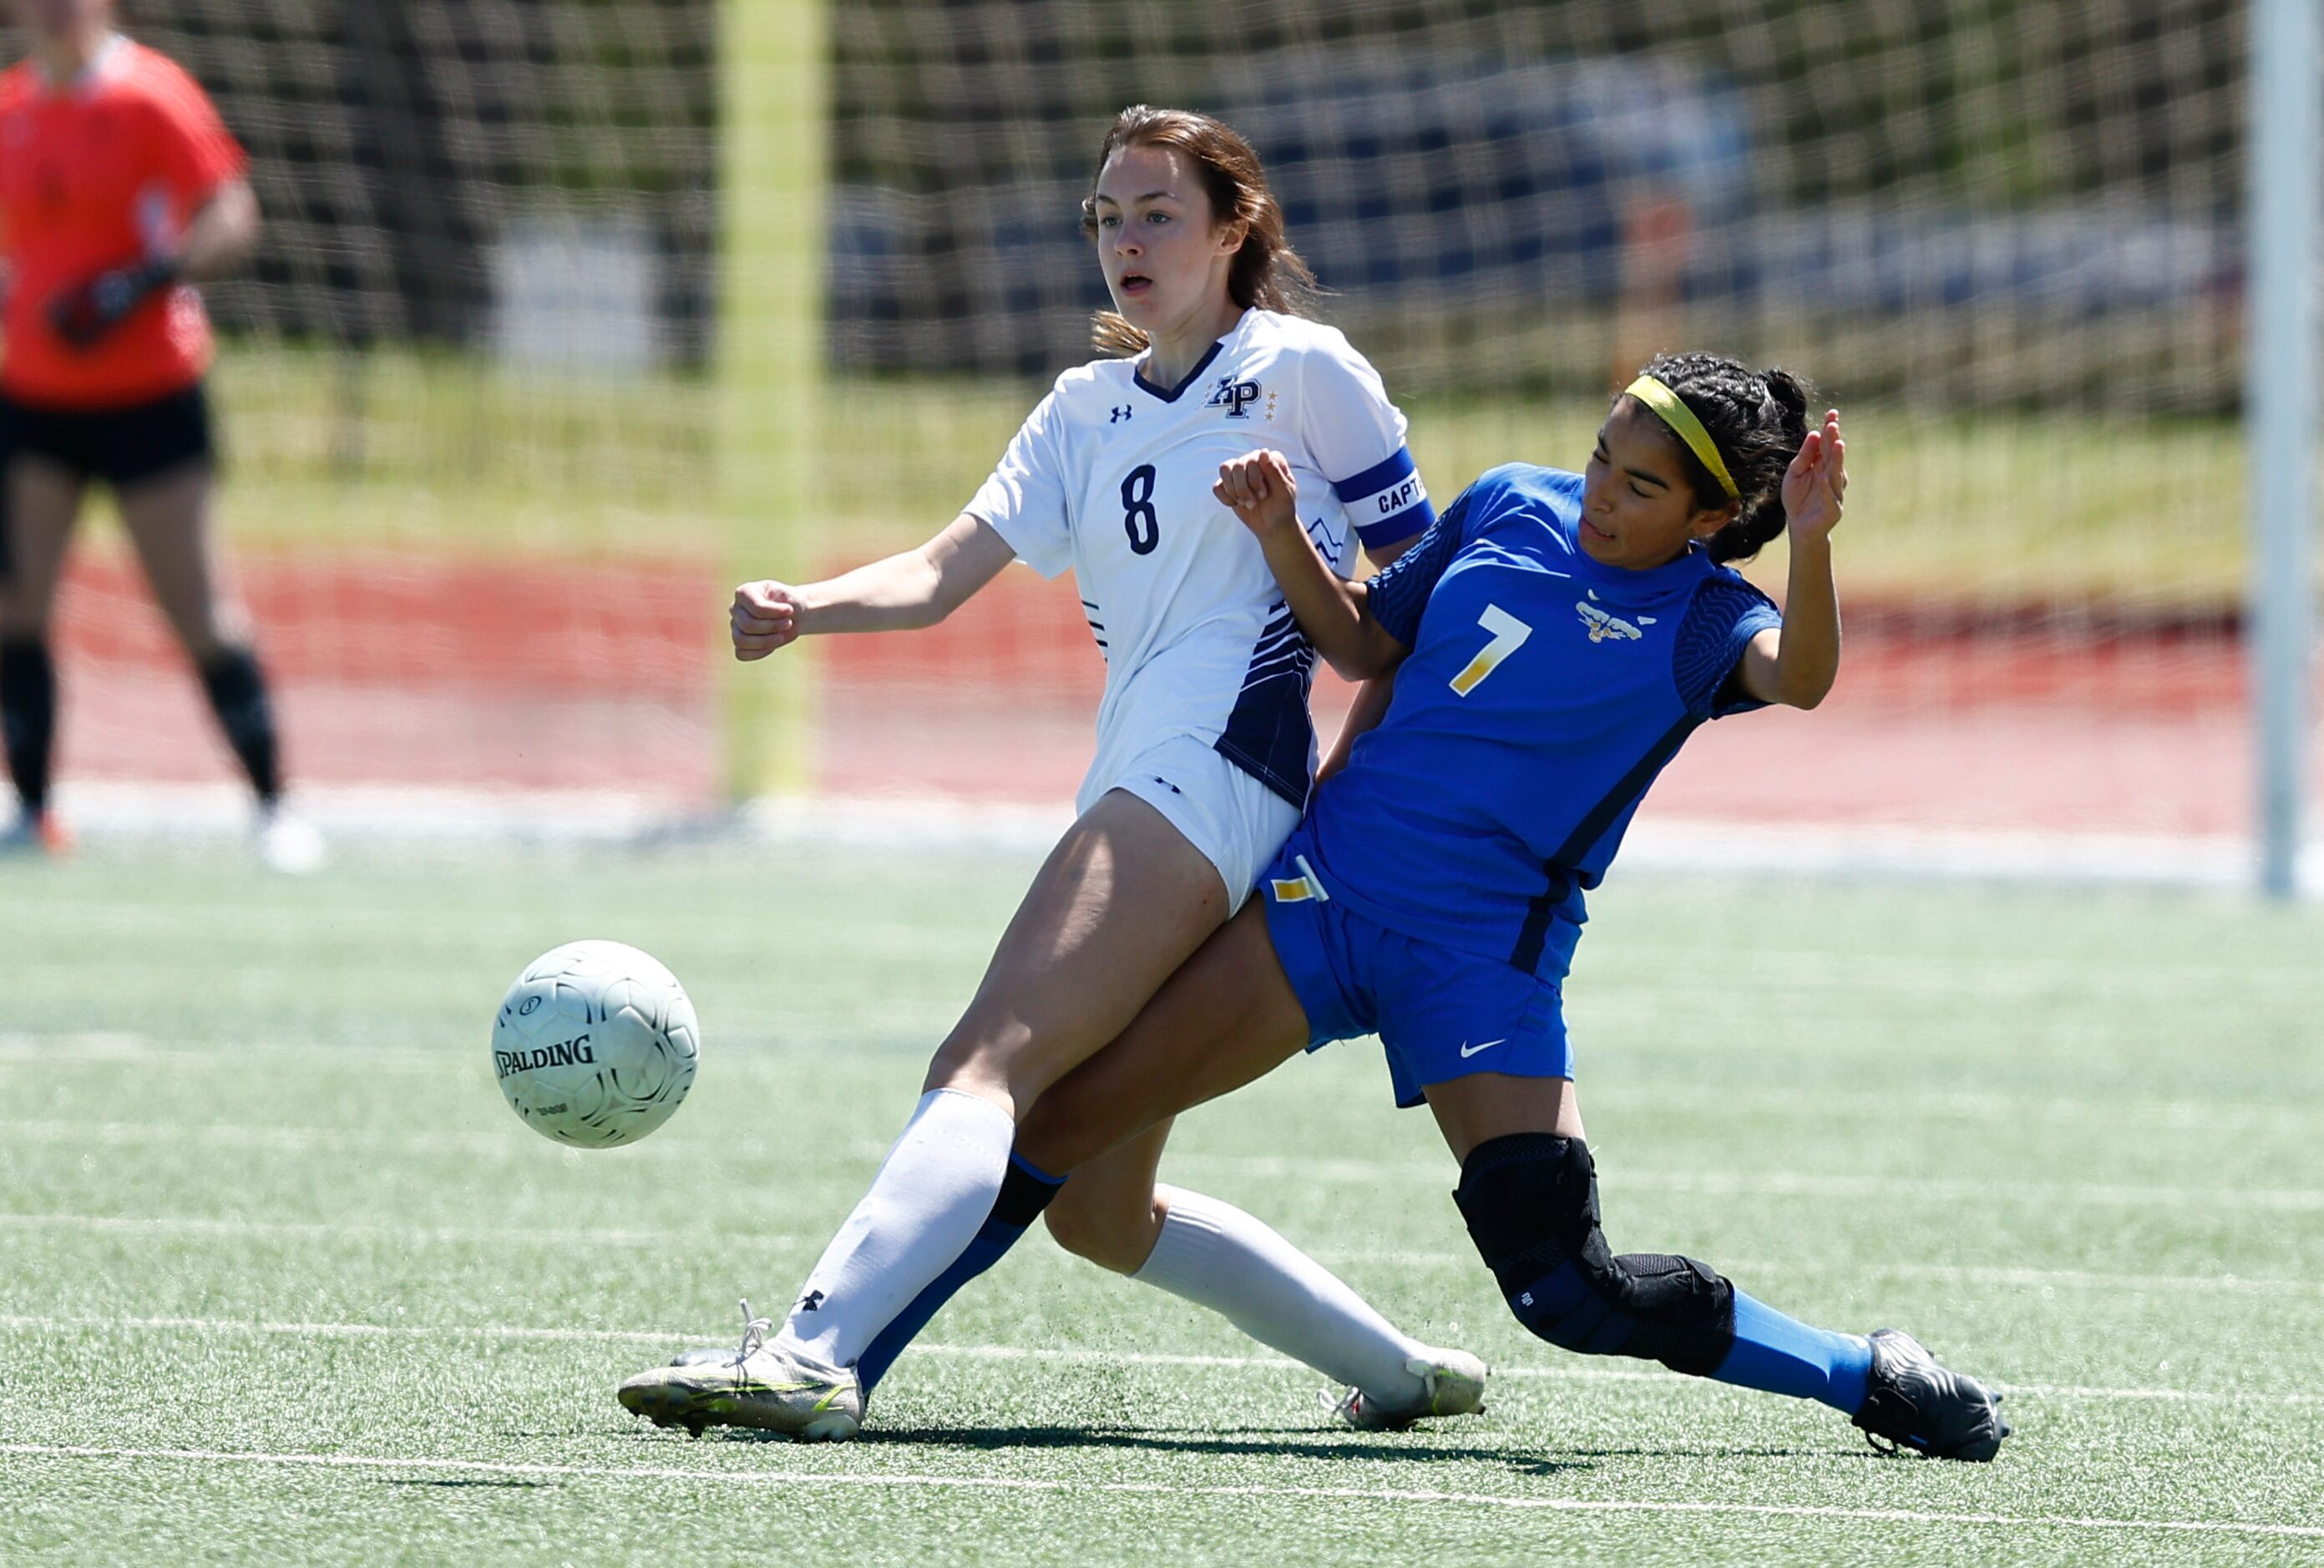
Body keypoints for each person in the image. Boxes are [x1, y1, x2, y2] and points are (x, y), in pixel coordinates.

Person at [777, 352, 2014, 1462]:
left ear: (1709, 518)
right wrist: (1278, 537)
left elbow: (1799, 678)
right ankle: (833, 1366)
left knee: (1561, 1290)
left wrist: (1810, 538)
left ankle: (1864, 1374)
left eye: (1641, 487)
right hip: (1322, 900)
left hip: (1480, 963)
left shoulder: (1706, 621)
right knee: (1064, 1117)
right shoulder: (1505, 504)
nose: (1600, 490)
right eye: (1601, 455)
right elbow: (1363, 643)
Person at [616, 105, 1491, 1441]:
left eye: (1154, 213)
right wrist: (809, 605)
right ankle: (1396, 1370)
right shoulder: (1081, 410)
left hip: (1218, 776)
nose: (1124, 241)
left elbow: (1415, 604)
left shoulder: (1305, 370)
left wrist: (1358, 788)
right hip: (1149, 781)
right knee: (1098, 1206)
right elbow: (935, 573)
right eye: (1105, 217)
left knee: (984, 1058)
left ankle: (809, 1355)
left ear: (1230, 227)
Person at [0, 0, 320, 871]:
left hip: (150, 394)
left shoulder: (153, 96)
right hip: (34, 398)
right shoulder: (12, 109)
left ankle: (273, 808)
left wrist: (133, 286)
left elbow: (229, 215)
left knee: (200, 611)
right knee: (16, 606)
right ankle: (33, 811)